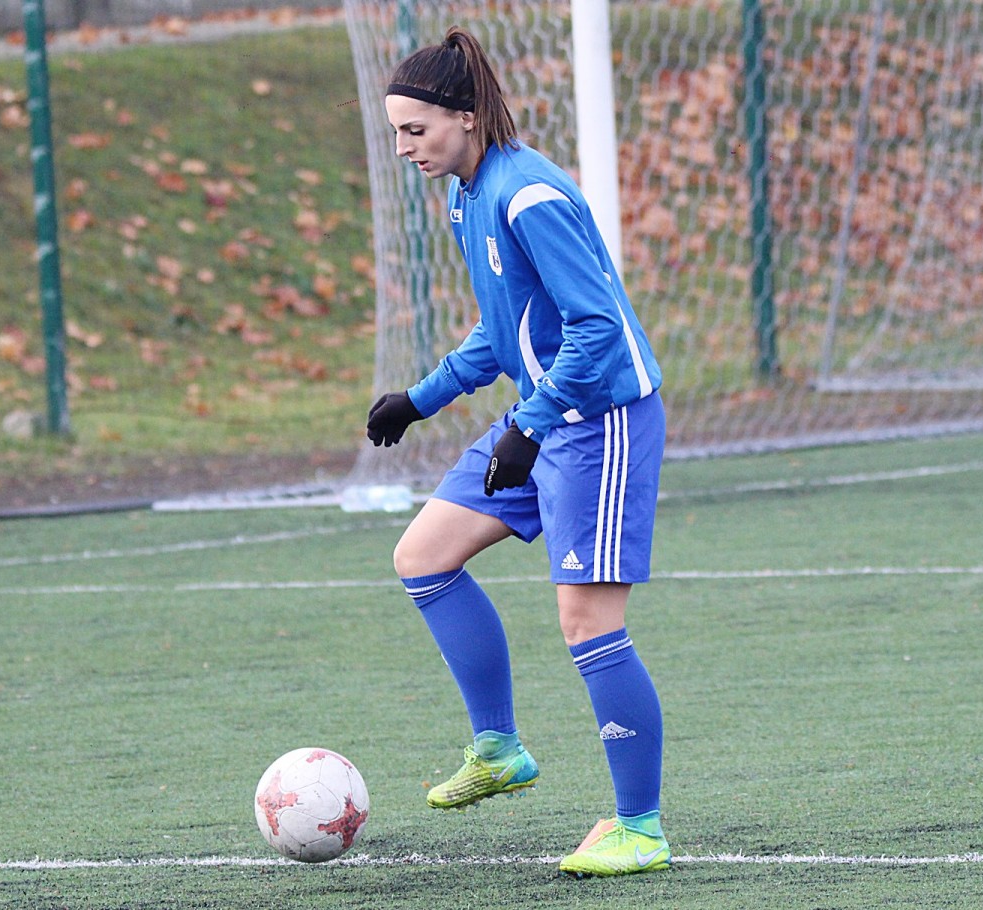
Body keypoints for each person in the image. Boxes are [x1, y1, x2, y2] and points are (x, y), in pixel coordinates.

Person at [365, 26, 671, 878]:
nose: (404, 148)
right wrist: (420, 398)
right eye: (397, 132)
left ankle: (640, 828)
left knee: (588, 622)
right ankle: (499, 748)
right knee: (423, 556)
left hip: (601, 421)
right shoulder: (470, 194)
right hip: (545, 418)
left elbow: (596, 330)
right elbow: (503, 331)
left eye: (415, 129)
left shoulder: (528, 195)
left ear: (465, 116)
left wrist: (528, 427)